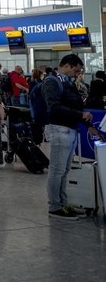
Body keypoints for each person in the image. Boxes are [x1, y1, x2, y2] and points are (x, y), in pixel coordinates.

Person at [43, 54, 102, 220]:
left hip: (69, 129)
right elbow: (54, 108)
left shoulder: (65, 82)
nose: (77, 74)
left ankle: (63, 203)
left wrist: (88, 126)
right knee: (57, 170)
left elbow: (74, 104)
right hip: (59, 129)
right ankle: (55, 206)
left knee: (64, 170)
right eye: (76, 70)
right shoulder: (52, 81)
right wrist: (80, 114)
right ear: (67, 65)